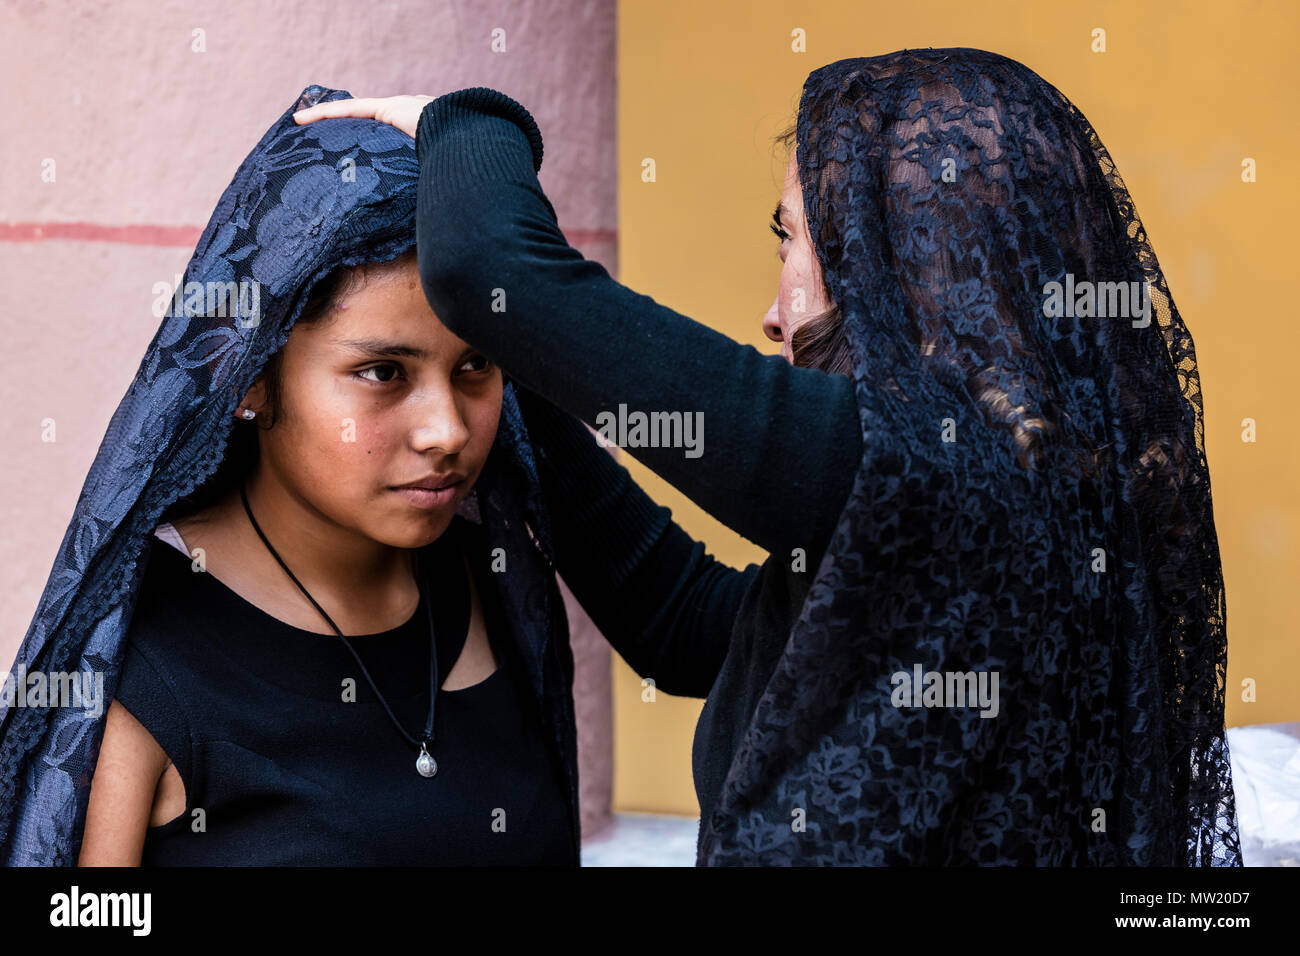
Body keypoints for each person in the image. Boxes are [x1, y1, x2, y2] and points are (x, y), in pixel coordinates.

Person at [294, 47, 1243, 865]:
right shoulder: (1028, 486)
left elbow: (488, 266)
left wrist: (470, 120)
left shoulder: (925, 470)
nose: (773, 309)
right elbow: (692, 626)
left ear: (896, 265)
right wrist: (512, 380)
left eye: (793, 241)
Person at [0, 86, 579, 866]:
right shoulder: (141, 670)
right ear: (250, 375)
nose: (447, 431)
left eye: (476, 365)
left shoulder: (494, 580)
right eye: (382, 371)